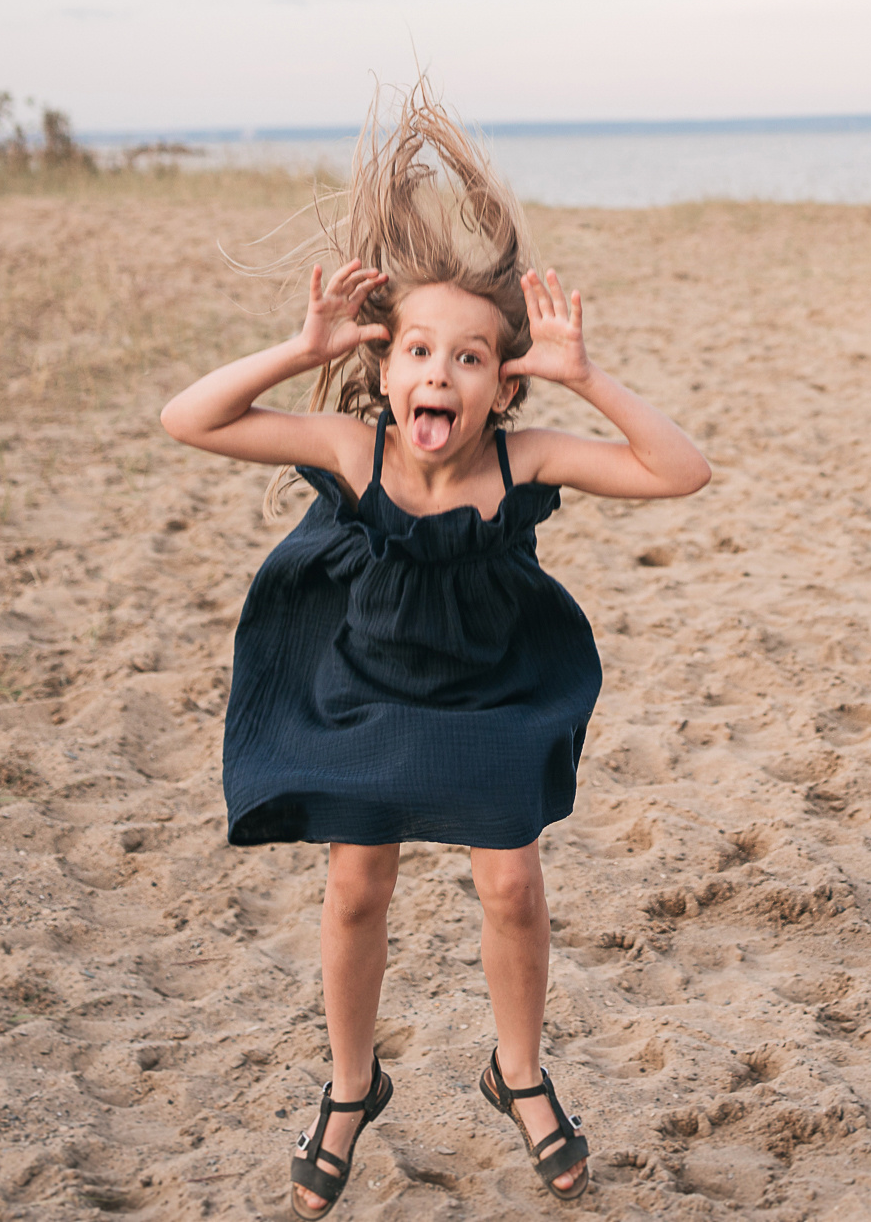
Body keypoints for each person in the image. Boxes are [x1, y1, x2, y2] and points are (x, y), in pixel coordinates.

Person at [160, 89, 710, 1213]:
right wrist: (298, 346)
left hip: (494, 694)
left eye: (469, 359)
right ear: (388, 366)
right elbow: (191, 418)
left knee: (511, 885)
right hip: (362, 694)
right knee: (357, 888)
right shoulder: (349, 447)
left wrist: (586, 379)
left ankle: (517, 1074)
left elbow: (677, 470)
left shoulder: (527, 455)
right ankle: (353, 1088)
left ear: (500, 383)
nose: (439, 375)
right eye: (419, 350)